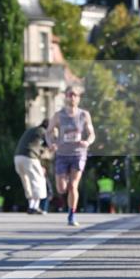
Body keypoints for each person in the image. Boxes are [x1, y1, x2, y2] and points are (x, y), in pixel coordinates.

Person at [47, 86, 96, 226]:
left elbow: (91, 133)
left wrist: (87, 142)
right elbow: (49, 132)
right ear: (65, 97)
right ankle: (67, 186)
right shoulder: (58, 115)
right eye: (70, 95)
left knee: (73, 185)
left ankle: (72, 214)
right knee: (61, 189)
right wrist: (52, 144)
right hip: (62, 154)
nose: (72, 97)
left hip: (78, 154)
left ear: (78, 98)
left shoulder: (84, 115)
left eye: (75, 95)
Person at [14, 118, 51, 214]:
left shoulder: (31, 130)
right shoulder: (43, 131)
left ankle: (31, 205)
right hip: (29, 157)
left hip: (18, 157)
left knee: (26, 182)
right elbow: (47, 146)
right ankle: (35, 207)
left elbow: (36, 146)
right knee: (38, 180)